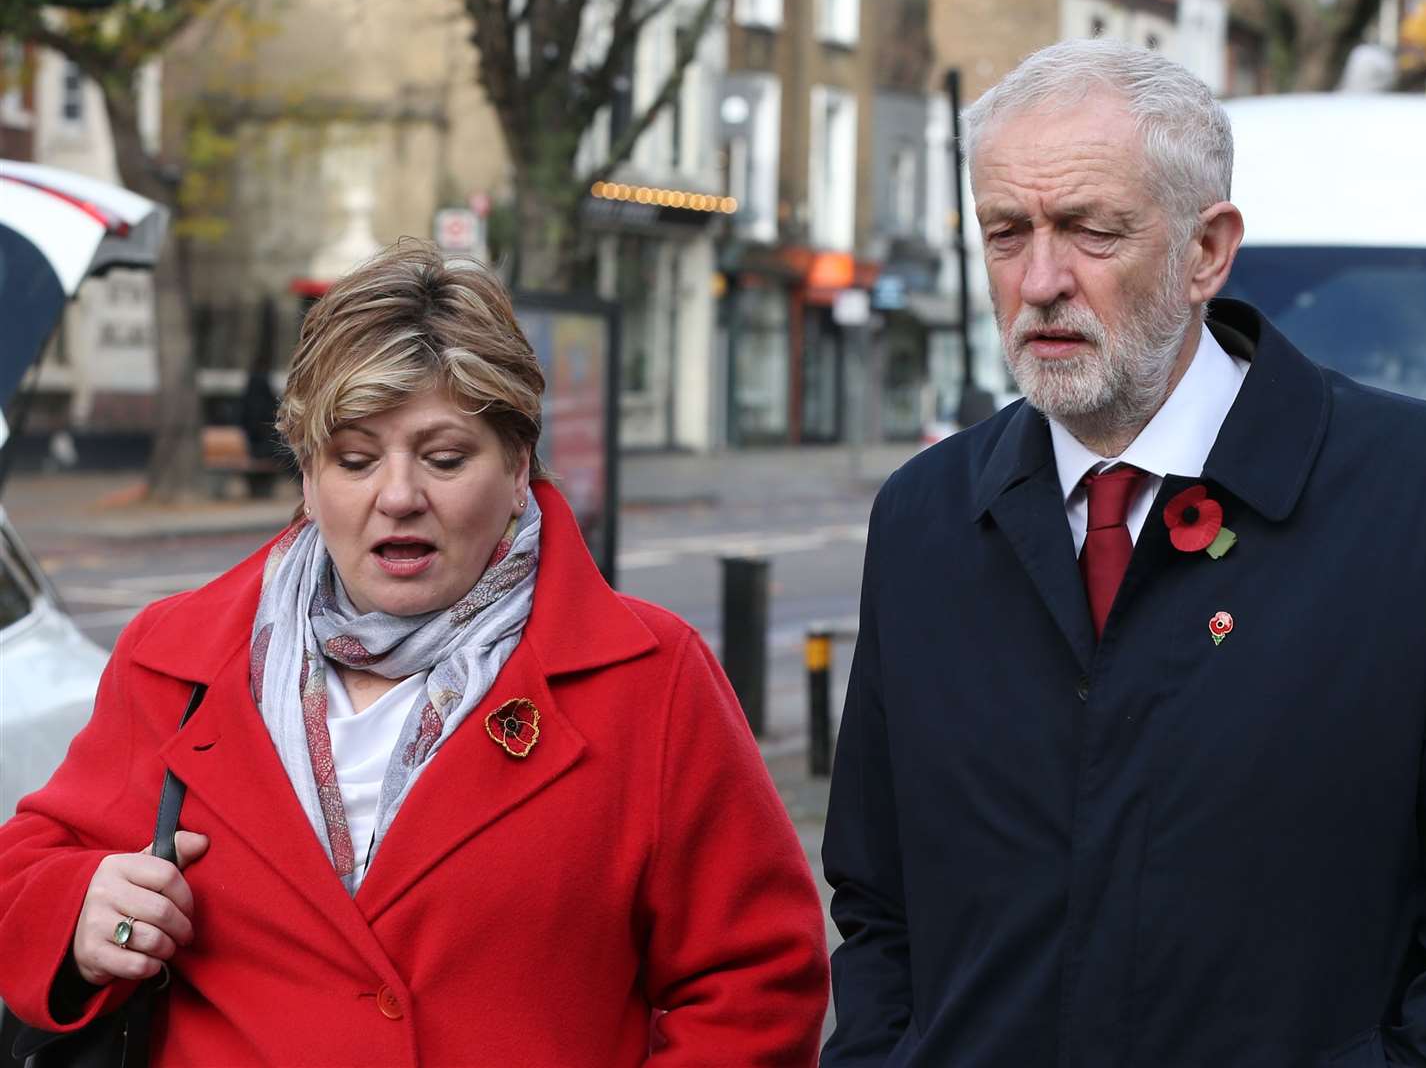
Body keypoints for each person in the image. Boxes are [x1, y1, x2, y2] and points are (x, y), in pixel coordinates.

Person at [822, 39, 1426, 1067]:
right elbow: (877, 902)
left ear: (1205, 251)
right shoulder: (924, 518)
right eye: (1004, 233)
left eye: (1090, 231)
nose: (1039, 280)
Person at [0, 240, 829, 1065]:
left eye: (444, 458)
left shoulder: (652, 676)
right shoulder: (173, 657)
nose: (398, 497)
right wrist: (84, 909)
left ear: (516, 466)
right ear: (305, 474)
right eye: (355, 460)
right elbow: (25, 874)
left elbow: (754, 979)